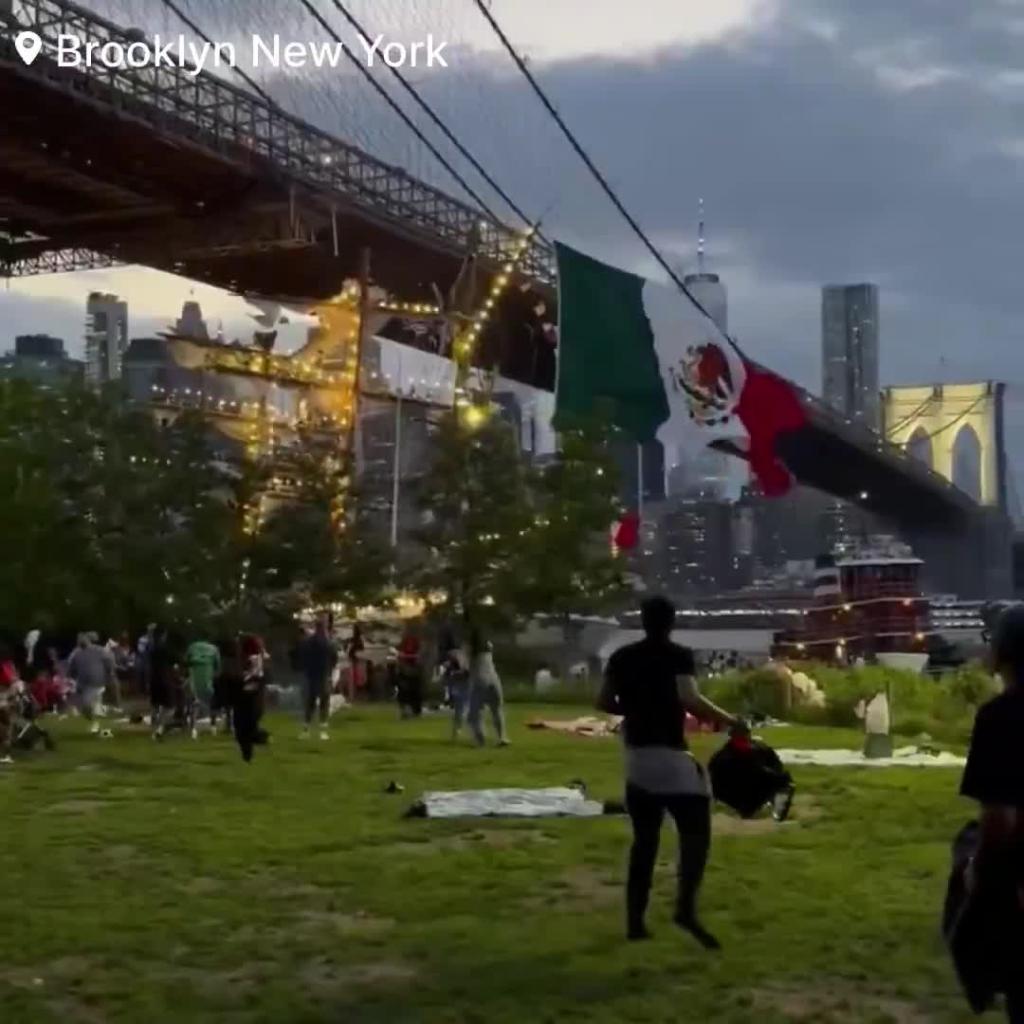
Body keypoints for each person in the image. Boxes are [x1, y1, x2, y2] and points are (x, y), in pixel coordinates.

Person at [598, 595, 746, 948]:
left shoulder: (621, 657)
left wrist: (633, 709)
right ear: (671, 622)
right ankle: (685, 909)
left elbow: (603, 702)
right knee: (697, 832)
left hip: (636, 760)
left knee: (644, 842)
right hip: (669, 757)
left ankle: (635, 922)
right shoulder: (677, 655)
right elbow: (690, 698)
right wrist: (731, 721)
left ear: (643, 620)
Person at [955, 604, 1024, 1020]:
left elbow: (999, 822)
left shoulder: (999, 717)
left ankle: (982, 984)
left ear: (999, 654)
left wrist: (976, 871)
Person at [67, 632, 115, 736]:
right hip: (83, 685)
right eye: (79, 640)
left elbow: (109, 661)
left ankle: (96, 723)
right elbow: (71, 669)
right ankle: (97, 718)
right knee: (85, 707)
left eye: (82, 639)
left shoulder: (99, 650)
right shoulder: (76, 654)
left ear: (88, 640)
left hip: (98, 683)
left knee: (89, 704)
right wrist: (71, 678)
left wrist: (110, 673)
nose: (81, 641)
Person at [466, 629, 508, 747]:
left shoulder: (471, 651)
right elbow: (489, 645)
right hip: (494, 679)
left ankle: (480, 740)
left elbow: (466, 666)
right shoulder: (488, 649)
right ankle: (502, 738)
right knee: (497, 710)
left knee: (474, 714)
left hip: (480, 680)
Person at [298, 617, 337, 741]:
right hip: (324, 675)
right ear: (324, 627)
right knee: (324, 704)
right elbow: (334, 658)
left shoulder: (308, 641)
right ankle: (323, 732)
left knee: (310, 703)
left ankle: (306, 730)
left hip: (312, 675)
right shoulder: (329, 642)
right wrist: (330, 672)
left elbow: (303, 657)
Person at [185, 634, 222, 739]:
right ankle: (213, 727)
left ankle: (193, 730)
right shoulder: (214, 648)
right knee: (212, 704)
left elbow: (186, 661)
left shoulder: (192, 647)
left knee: (195, 704)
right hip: (208, 678)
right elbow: (218, 666)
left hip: (194, 679)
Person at [396, 624, 423, 719]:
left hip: (413, 669)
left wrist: (406, 656)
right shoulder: (403, 642)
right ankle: (405, 711)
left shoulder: (415, 642)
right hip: (405, 669)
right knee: (403, 691)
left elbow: (418, 656)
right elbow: (399, 654)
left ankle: (414, 711)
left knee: (414, 691)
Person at [345, 624, 365, 704]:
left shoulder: (354, 640)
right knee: (356, 680)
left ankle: (352, 697)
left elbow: (351, 651)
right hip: (355, 661)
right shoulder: (358, 640)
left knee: (353, 680)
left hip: (353, 661)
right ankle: (354, 697)